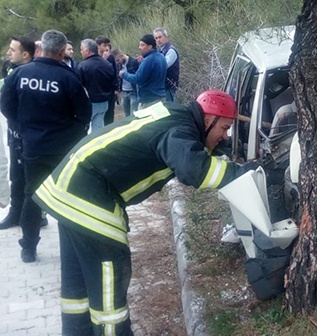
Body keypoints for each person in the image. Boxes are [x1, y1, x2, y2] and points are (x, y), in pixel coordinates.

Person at [33, 90, 257, 335]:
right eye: (224, 128)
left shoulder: (175, 115)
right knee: (110, 284)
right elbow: (194, 170)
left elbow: (190, 150)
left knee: (78, 286)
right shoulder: (180, 131)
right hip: (89, 198)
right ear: (208, 120)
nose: (225, 137)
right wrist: (244, 174)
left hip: (67, 190)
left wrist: (226, 160)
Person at [0, 29, 92, 262]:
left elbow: (6, 106)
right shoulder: (69, 78)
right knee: (66, 195)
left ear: (41, 50)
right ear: (62, 52)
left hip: (31, 147)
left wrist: (23, 128)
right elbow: (83, 116)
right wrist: (69, 138)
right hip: (62, 150)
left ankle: (28, 248)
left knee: (32, 195)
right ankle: (72, 250)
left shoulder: (20, 74)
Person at [0, 35, 36, 230]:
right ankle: (20, 213)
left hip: (23, 135)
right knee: (20, 175)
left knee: (25, 176)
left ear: (25, 54)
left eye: (12, 50)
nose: (8, 52)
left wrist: (18, 122)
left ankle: (25, 215)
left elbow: (5, 106)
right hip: (23, 135)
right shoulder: (18, 71)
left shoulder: (21, 74)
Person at [76, 39, 118, 132]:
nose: (81, 51)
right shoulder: (107, 64)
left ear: (87, 51)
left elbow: (77, 86)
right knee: (98, 127)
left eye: (81, 49)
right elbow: (113, 81)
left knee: (85, 129)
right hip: (105, 101)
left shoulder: (82, 66)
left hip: (90, 102)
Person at [120, 34, 166, 109]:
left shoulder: (148, 60)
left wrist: (124, 74)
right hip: (160, 97)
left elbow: (137, 78)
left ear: (150, 46)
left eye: (142, 45)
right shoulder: (161, 56)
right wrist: (141, 63)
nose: (139, 47)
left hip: (149, 101)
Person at [153, 27, 180, 102]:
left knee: (168, 110)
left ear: (166, 37)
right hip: (162, 87)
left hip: (169, 87)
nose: (158, 40)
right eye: (156, 38)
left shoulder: (171, 50)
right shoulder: (160, 51)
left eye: (160, 37)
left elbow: (163, 66)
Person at [96, 36, 117, 125]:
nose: (106, 48)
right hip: (97, 91)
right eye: (104, 45)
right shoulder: (94, 57)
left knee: (109, 115)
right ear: (98, 46)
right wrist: (103, 60)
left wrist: (116, 88)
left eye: (108, 45)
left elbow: (114, 73)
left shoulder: (110, 57)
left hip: (110, 91)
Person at [111, 49, 139, 117]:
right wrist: (117, 89)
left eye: (118, 60)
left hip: (133, 91)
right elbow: (118, 78)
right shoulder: (118, 65)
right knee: (126, 114)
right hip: (124, 91)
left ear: (122, 56)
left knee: (134, 114)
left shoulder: (134, 62)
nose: (118, 62)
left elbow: (137, 77)